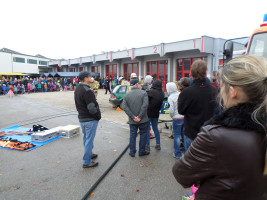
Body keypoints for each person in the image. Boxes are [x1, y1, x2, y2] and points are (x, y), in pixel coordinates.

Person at [173, 55, 267, 200]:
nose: (220, 94)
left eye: (222, 86)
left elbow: (182, 173)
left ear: (233, 91)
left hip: (192, 131)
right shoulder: (211, 91)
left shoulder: (214, 136)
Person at [178, 60, 218, 152]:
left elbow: (181, 111)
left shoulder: (187, 92)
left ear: (192, 73)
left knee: (189, 162)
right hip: (208, 132)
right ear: (205, 73)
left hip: (191, 132)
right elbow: (216, 108)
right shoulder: (213, 90)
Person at [74, 71, 101, 168]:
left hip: (82, 118)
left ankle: (89, 154)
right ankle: (86, 161)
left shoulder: (78, 89)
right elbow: (92, 108)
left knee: (86, 138)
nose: (91, 78)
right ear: (85, 78)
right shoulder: (87, 91)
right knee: (89, 139)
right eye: (90, 76)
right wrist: (98, 116)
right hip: (89, 119)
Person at [121, 79, 149, 157]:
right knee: (143, 135)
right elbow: (145, 105)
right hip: (143, 120)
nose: (140, 85)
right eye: (139, 84)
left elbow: (124, 107)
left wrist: (133, 117)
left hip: (132, 121)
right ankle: (142, 151)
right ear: (137, 85)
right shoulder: (144, 93)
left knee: (132, 135)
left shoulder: (127, 95)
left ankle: (132, 152)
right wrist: (139, 117)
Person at [166, 82, 184, 159]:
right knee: (184, 135)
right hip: (184, 117)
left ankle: (177, 153)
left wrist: (172, 116)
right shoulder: (181, 94)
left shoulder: (170, 98)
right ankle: (187, 153)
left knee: (176, 136)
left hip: (177, 118)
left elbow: (171, 110)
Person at [145, 79, 164, 152]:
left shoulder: (151, 92)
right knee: (155, 128)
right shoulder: (162, 93)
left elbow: (146, 99)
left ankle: (147, 146)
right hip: (156, 113)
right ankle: (158, 144)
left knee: (147, 129)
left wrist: (147, 90)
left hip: (148, 112)